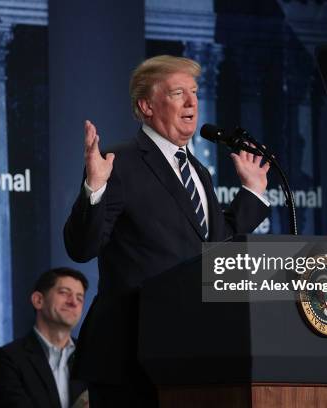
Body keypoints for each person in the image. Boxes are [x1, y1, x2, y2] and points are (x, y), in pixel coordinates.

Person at [64, 55, 271, 407]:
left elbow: (214, 251)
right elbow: (82, 247)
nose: (192, 102)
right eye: (178, 93)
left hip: (192, 353)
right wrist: (94, 190)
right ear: (146, 105)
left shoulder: (198, 171)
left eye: (193, 92)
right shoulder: (120, 162)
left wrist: (251, 194)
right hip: (131, 355)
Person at [0, 268, 89, 408]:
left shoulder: (91, 358)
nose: (73, 303)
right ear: (38, 300)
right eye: (64, 293)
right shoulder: (5, 360)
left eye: (80, 298)